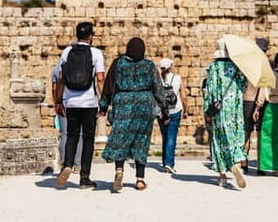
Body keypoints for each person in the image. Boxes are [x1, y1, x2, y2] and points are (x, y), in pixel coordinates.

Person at [100, 38, 166, 192]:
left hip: (123, 103)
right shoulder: (149, 66)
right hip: (144, 104)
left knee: (120, 137)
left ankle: (119, 170)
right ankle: (140, 179)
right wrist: (164, 108)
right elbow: (158, 88)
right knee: (141, 141)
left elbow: (109, 85)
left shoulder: (119, 63)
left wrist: (103, 106)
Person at [54, 22, 106, 189]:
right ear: (91, 36)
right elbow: (99, 79)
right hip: (89, 102)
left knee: (71, 135)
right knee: (88, 139)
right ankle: (84, 178)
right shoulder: (96, 53)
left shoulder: (67, 52)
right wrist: (103, 101)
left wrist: (58, 101)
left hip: (70, 101)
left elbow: (61, 78)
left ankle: (67, 165)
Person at [204, 39, 248, 189]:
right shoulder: (237, 67)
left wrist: (207, 111)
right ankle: (235, 163)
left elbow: (208, 91)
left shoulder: (213, 68)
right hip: (234, 108)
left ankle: (222, 175)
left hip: (219, 109)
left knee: (218, 138)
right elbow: (243, 86)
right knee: (235, 135)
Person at [240, 38, 269, 174]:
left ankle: (244, 163)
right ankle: (260, 166)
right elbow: (263, 88)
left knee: (246, 133)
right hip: (258, 102)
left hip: (245, 101)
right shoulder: (263, 65)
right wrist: (258, 107)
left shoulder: (246, 64)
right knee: (260, 135)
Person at [157, 58, 186, 174]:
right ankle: (169, 163)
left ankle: (165, 162)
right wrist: (186, 110)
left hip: (161, 112)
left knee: (165, 136)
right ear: (171, 66)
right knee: (171, 137)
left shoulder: (157, 80)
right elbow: (183, 96)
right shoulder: (177, 78)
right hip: (175, 110)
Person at [51, 63, 81, 168]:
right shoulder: (80, 66)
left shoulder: (56, 69)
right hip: (77, 102)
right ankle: (78, 164)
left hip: (63, 102)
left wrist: (56, 103)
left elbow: (54, 88)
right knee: (79, 134)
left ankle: (65, 163)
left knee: (64, 134)